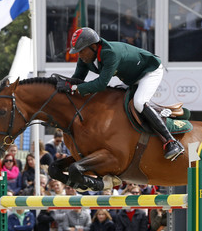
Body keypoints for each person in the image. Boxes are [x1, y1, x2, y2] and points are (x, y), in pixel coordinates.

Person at [59, 27, 184, 161]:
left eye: (82, 51)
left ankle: (171, 142)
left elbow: (101, 84)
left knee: (139, 103)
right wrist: (63, 84)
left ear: (94, 46)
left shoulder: (109, 53)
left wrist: (74, 88)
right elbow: (77, 78)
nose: (80, 55)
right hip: (131, 77)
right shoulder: (85, 58)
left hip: (149, 72)